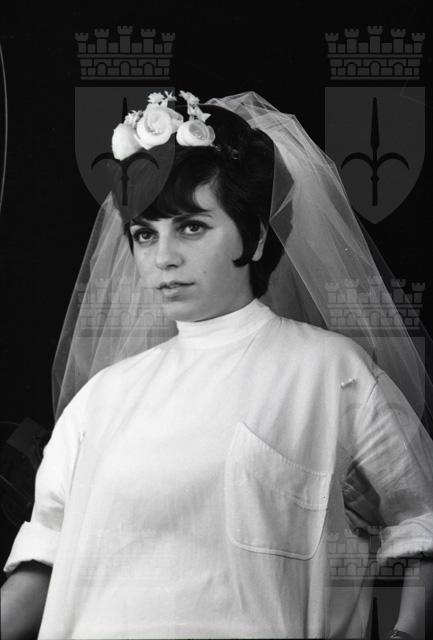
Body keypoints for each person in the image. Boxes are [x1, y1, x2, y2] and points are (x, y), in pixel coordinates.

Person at [1, 90, 433, 640]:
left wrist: (407, 632)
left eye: (191, 227)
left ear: (255, 236)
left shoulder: (329, 373)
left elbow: (422, 520)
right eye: (144, 234)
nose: (163, 258)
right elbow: (44, 559)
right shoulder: (100, 399)